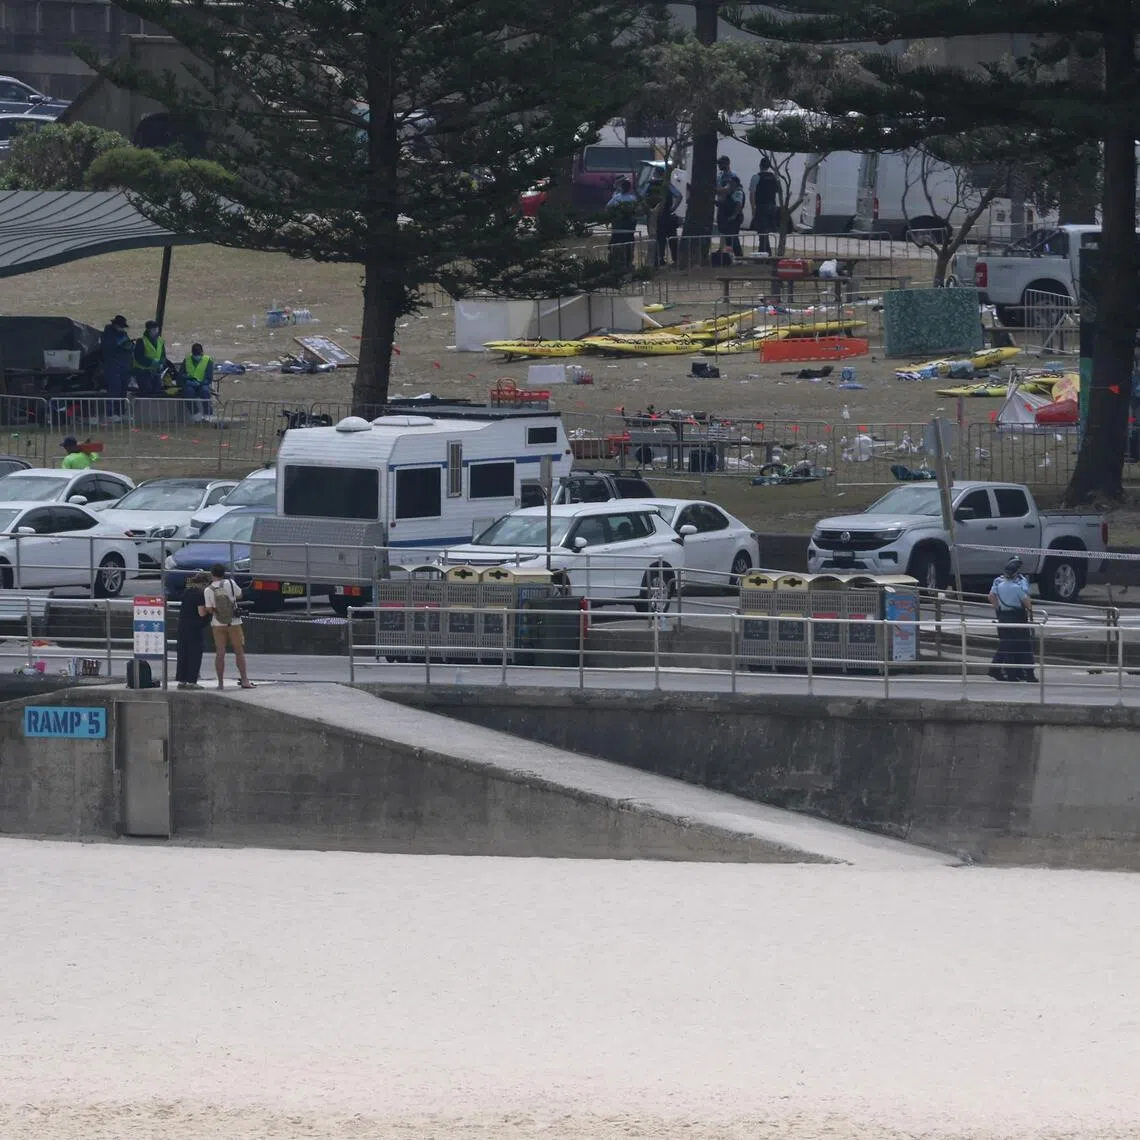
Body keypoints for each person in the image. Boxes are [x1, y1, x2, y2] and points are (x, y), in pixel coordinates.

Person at [204, 562, 254, 690]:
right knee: (239, 652)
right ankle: (244, 680)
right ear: (224, 573)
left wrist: (218, 612)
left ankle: (220, 683)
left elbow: (209, 609)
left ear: (212, 574)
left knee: (220, 653)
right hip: (234, 622)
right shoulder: (230, 583)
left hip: (217, 624)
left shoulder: (208, 590)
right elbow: (240, 595)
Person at [988, 556, 1037, 682]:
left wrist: (999, 609)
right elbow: (1026, 601)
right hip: (1017, 616)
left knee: (1008, 645)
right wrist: (1030, 611)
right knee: (1024, 645)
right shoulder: (1017, 584)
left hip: (1004, 616)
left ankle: (1011, 673)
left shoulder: (999, 583)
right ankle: (1026, 673)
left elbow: (992, 596)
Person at [175, 571, 213, 689]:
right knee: (194, 654)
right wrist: (210, 610)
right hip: (194, 628)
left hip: (182, 627)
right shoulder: (200, 594)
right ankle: (192, 681)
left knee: (183, 654)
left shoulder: (187, 592)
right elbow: (201, 613)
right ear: (204, 583)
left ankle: (181, 680)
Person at [645, 169, 682, 267]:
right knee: (672, 238)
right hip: (667, 215)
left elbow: (643, 199)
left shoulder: (649, 186)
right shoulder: (667, 185)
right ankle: (676, 259)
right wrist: (672, 209)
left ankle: (659, 259)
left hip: (655, 217)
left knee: (659, 239)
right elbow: (679, 196)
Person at [100, 314, 132, 421]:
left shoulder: (123, 334)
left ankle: (120, 412)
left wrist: (129, 346)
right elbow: (109, 349)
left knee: (123, 390)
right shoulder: (107, 334)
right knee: (114, 389)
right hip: (112, 366)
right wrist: (121, 347)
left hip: (124, 366)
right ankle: (110, 413)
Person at [750, 157, 782, 254]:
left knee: (762, 231)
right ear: (769, 166)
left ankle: (763, 253)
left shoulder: (756, 177)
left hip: (761, 207)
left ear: (760, 165)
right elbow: (779, 190)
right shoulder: (774, 177)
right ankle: (767, 252)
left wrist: (753, 208)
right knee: (766, 231)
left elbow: (752, 194)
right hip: (772, 207)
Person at [606, 178, 639, 268]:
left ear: (621, 187)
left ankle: (615, 262)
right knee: (629, 243)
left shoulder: (616, 198)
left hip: (618, 226)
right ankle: (628, 262)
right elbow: (637, 211)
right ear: (629, 188)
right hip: (629, 227)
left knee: (616, 242)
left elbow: (608, 208)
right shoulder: (633, 198)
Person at [131, 319, 167, 397]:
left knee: (157, 391)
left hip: (156, 372)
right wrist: (152, 362)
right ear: (148, 330)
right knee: (146, 392)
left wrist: (161, 363)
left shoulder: (160, 341)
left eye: (157, 329)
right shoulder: (141, 341)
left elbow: (163, 355)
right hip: (143, 372)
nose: (156, 332)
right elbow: (139, 358)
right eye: (153, 330)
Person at [180, 343, 215, 421]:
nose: (197, 357)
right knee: (188, 392)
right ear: (192, 354)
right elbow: (181, 375)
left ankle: (208, 414)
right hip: (190, 384)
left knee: (205, 391)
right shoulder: (187, 360)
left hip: (203, 384)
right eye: (196, 355)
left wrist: (200, 383)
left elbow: (209, 377)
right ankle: (195, 414)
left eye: (199, 354)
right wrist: (188, 380)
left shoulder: (208, 360)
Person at [716, 174, 745, 259]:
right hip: (729, 218)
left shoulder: (738, 192)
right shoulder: (729, 193)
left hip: (735, 219)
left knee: (733, 238)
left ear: (735, 183)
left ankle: (739, 257)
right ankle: (730, 257)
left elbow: (738, 205)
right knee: (728, 239)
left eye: (730, 183)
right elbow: (724, 204)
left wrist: (733, 216)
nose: (728, 184)